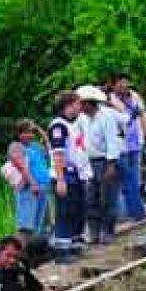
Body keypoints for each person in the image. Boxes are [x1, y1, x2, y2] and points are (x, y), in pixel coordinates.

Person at [79, 85, 125, 245]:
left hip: (105, 161)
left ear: (90, 103)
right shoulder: (82, 119)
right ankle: (94, 233)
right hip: (89, 162)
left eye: (82, 103)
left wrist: (111, 165)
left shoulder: (106, 116)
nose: (80, 106)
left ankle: (108, 231)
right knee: (91, 199)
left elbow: (112, 140)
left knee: (107, 199)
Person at [109, 73, 146, 224]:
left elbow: (144, 116)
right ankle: (124, 214)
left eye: (126, 83)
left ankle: (135, 211)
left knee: (136, 178)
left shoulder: (134, 96)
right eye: (120, 84)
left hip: (136, 142)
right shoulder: (109, 100)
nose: (124, 86)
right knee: (123, 180)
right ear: (113, 85)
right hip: (121, 146)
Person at [48, 91, 92, 244]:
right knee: (66, 212)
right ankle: (63, 244)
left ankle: (75, 239)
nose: (80, 107)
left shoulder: (73, 123)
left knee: (78, 209)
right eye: (77, 103)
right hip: (64, 175)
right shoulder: (58, 126)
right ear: (69, 105)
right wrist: (60, 180)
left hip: (76, 174)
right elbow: (58, 154)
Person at [7, 120, 51, 237]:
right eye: (26, 132)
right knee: (26, 224)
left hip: (42, 188)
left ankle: (34, 251)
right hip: (29, 189)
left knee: (39, 224)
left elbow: (49, 153)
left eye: (31, 132)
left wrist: (42, 134)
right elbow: (21, 167)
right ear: (18, 134)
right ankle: (22, 250)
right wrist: (32, 183)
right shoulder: (16, 146)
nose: (30, 135)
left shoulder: (35, 146)